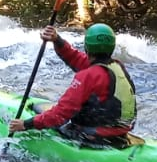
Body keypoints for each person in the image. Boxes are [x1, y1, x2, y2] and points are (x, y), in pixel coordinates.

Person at [8, 23, 137, 148]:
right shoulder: (116, 66)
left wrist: (26, 124)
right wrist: (57, 40)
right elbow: (76, 58)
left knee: (43, 113)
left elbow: (60, 114)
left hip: (93, 136)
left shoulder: (88, 76)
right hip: (118, 134)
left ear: (87, 47)